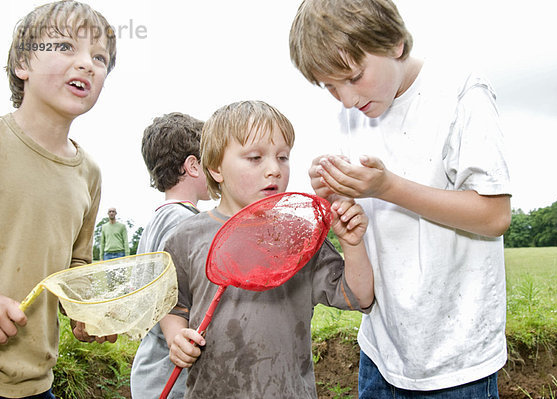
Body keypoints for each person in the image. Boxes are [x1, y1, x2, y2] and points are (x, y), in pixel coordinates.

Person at [289, 0, 512, 398]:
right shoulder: (354, 113)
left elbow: (494, 215)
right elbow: (363, 217)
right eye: (330, 87)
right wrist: (334, 190)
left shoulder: (461, 92)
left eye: (354, 76)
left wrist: (387, 187)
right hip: (381, 350)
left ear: (394, 43)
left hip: (456, 361)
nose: (345, 100)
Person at [159, 100, 374, 398]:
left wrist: (352, 245)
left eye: (283, 157)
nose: (274, 169)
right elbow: (173, 305)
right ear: (216, 168)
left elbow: (358, 295)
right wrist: (176, 337)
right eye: (255, 158)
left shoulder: (299, 236)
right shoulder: (185, 237)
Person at [0, 1, 118, 398]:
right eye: (66, 47)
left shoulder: (90, 174)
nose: (87, 63)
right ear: (23, 63)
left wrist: (86, 309)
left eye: (99, 57)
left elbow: (74, 265)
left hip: (34, 384)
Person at [130, 112, 210, 399]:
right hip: (171, 378)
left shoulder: (158, 220)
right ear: (193, 166)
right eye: (210, 160)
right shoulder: (184, 222)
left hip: (152, 367)